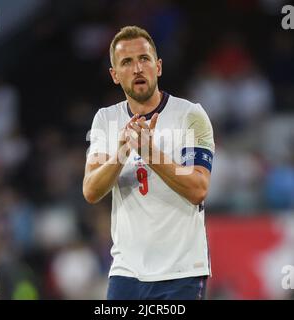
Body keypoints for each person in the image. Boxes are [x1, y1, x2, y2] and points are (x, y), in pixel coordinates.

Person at [83, 26, 215, 300]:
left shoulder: (191, 116)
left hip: (181, 271)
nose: (137, 68)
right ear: (115, 75)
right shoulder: (105, 120)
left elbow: (198, 188)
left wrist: (150, 153)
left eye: (144, 59)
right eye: (127, 62)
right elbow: (91, 190)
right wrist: (121, 152)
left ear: (158, 66)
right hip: (126, 271)